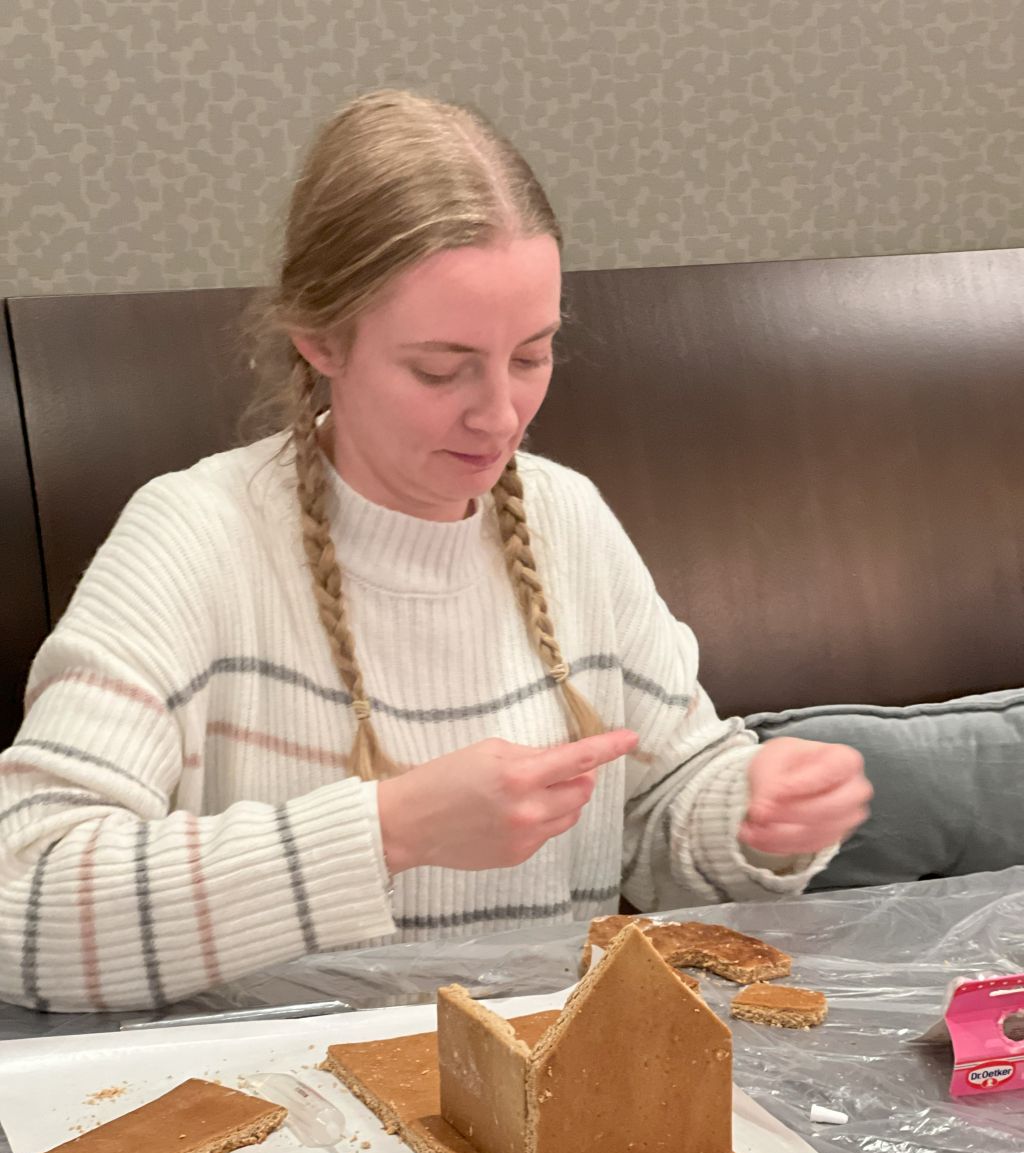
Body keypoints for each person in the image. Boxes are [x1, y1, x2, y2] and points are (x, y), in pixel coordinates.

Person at [0, 90, 871, 1014]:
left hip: (536, 1078)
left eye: (531, 356)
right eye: (439, 369)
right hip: (269, 1089)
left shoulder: (568, 519)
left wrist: (754, 814)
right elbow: (22, 906)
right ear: (321, 340)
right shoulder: (195, 536)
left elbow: (666, 819)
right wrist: (391, 830)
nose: (499, 416)